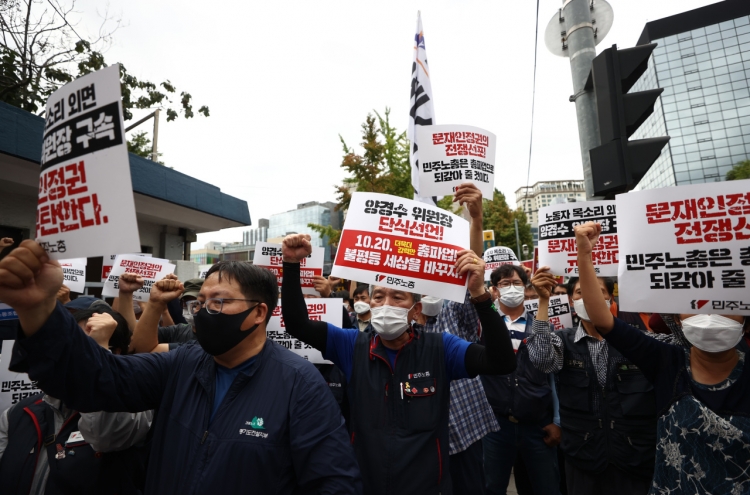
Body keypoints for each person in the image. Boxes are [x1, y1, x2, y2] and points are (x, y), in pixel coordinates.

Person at [0, 242, 362, 494]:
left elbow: (333, 482)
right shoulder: (182, 364)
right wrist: (39, 310)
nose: (203, 312)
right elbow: (101, 378)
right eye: (199, 303)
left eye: (219, 302)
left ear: (259, 313)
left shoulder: (299, 384)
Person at [281, 233, 516, 495]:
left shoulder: (442, 348)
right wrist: (291, 264)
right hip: (366, 484)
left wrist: (479, 295)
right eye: (379, 297)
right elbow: (297, 324)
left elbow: (501, 362)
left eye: (398, 298)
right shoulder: (352, 346)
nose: (386, 305)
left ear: (416, 310)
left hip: (428, 487)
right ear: (369, 304)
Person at [574, 221, 750, 495]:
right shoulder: (666, 361)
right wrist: (584, 255)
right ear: (678, 321)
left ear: (746, 320)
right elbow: (603, 320)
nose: (709, 317)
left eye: (724, 306)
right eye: (696, 306)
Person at [525, 267, 657, 495]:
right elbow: (542, 360)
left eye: (597, 290)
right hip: (584, 456)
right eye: (579, 292)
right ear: (570, 299)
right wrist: (543, 301)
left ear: (610, 298)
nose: (587, 297)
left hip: (635, 457)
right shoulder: (563, 341)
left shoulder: (638, 341)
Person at [0, 307, 152, 495]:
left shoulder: (134, 409)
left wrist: (99, 353)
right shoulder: (18, 413)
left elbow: (105, 436)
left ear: (116, 353)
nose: (72, 358)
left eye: (84, 348)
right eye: (68, 346)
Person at [482, 264, 562, 495]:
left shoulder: (541, 324)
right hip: (495, 424)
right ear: (495, 290)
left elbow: (551, 376)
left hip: (538, 425)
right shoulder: (484, 324)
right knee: (492, 486)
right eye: (505, 284)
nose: (512, 288)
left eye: (517, 283)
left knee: (546, 487)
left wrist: (556, 420)